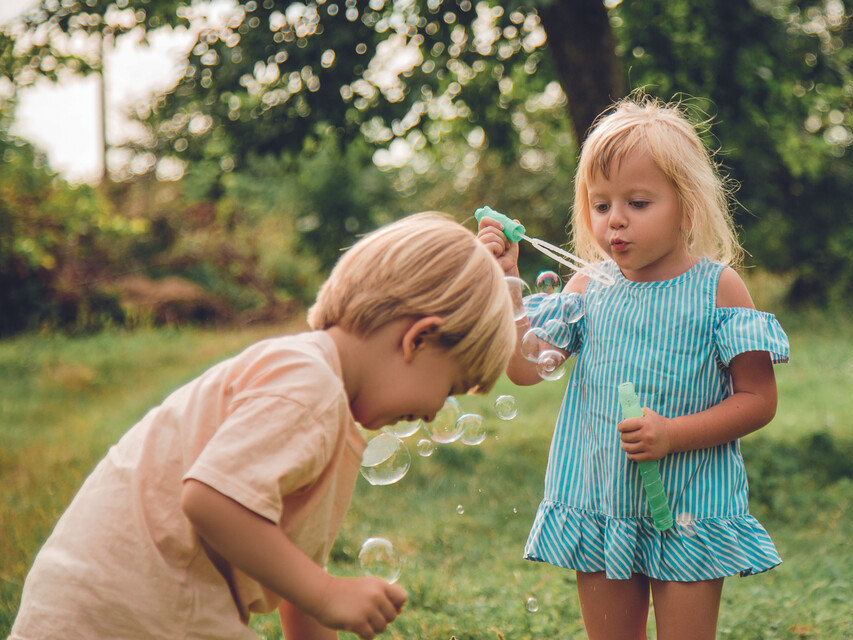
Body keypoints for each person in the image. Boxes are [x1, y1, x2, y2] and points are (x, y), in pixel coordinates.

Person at [10, 212, 517, 640]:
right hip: (130, 610)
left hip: (133, 601)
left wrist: (319, 594)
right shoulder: (308, 384)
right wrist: (327, 593)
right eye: (450, 387)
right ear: (419, 340)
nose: (433, 413)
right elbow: (210, 499)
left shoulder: (330, 412)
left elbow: (300, 578)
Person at [478, 94, 789, 640]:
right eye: (601, 205)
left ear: (687, 205)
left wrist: (672, 433)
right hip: (599, 504)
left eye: (638, 203)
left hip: (689, 508)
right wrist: (505, 281)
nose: (615, 220)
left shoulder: (717, 288)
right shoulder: (586, 285)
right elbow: (525, 369)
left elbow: (759, 401)